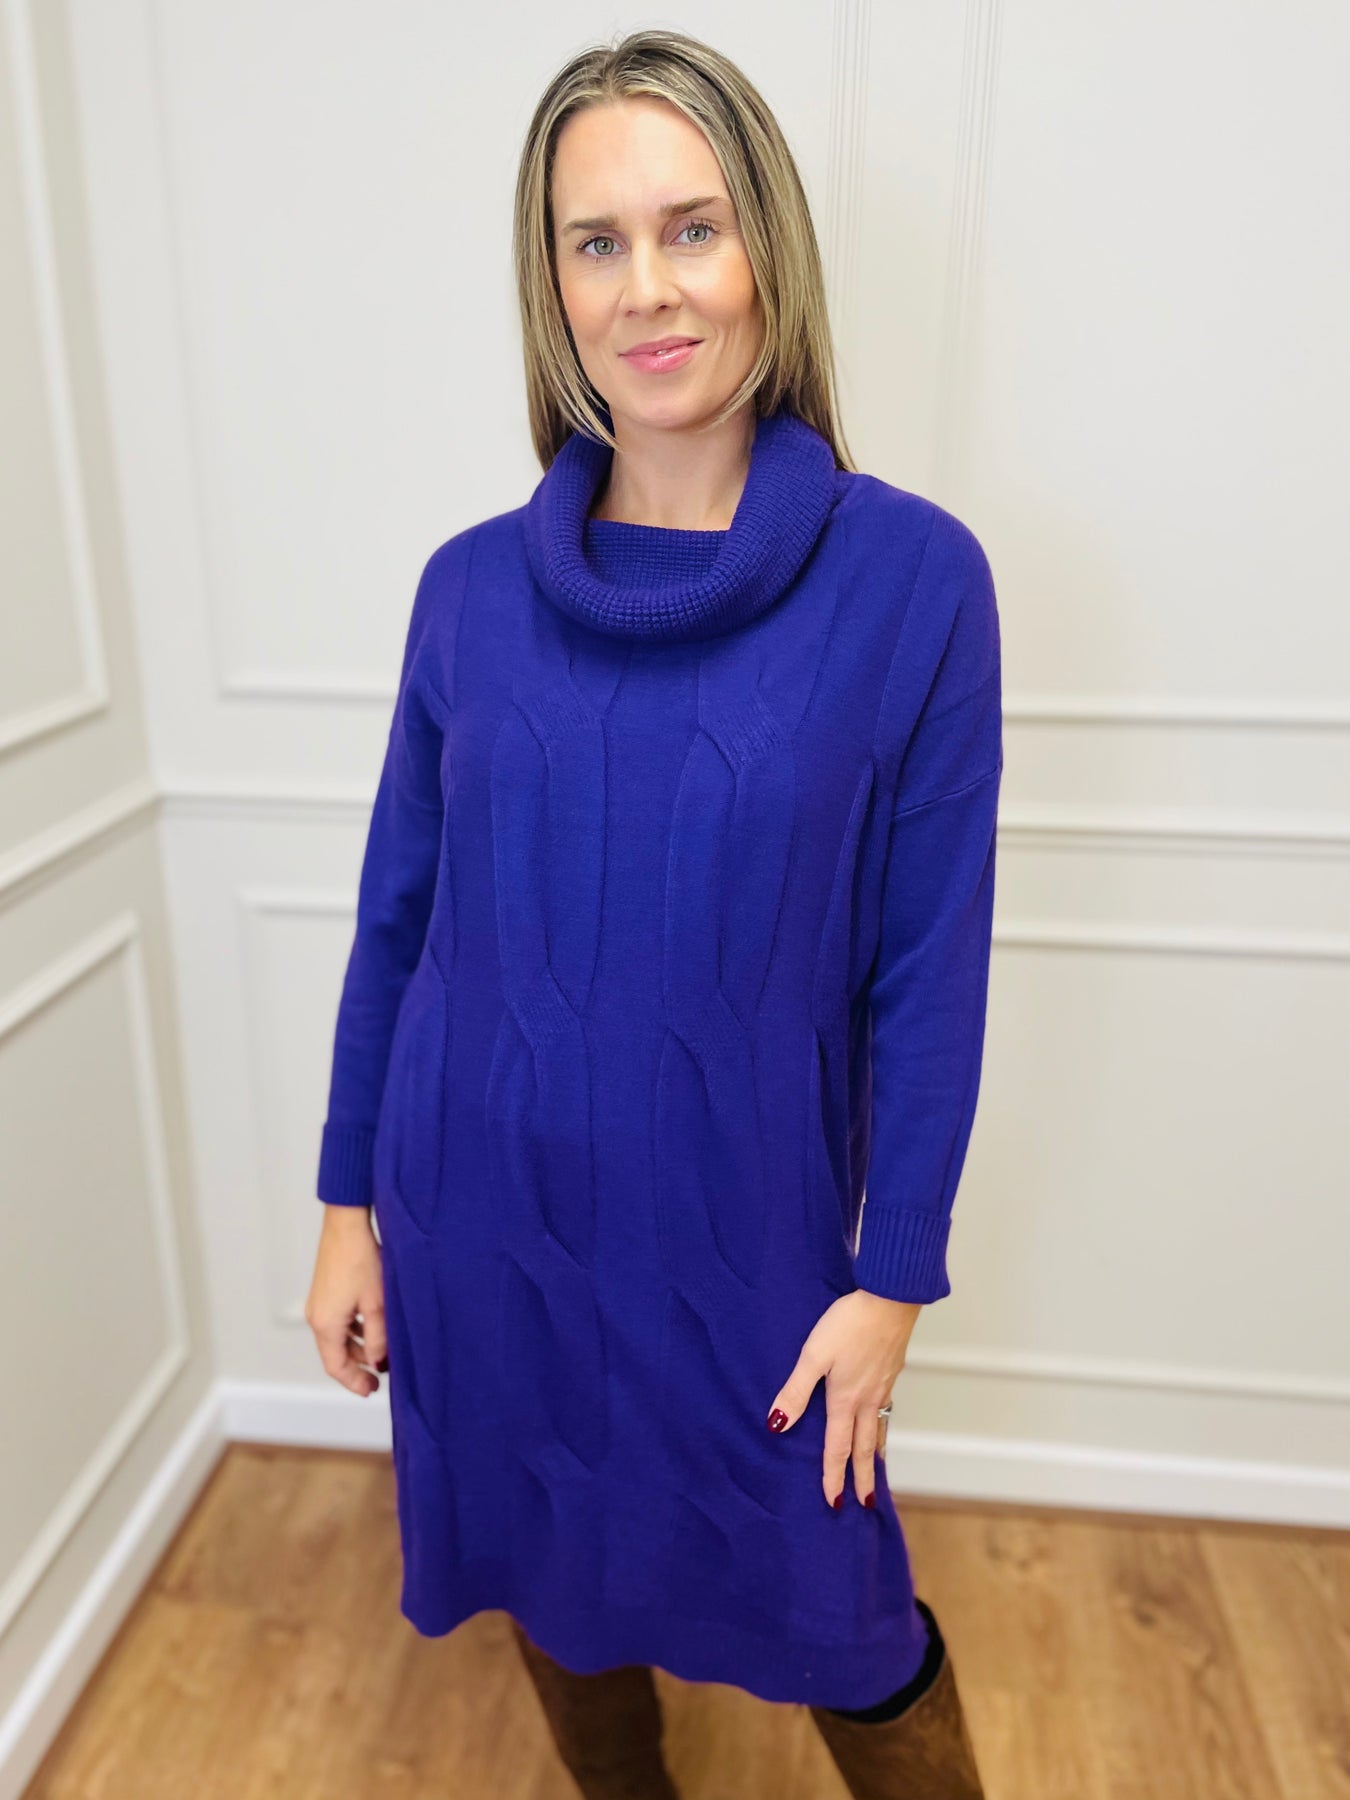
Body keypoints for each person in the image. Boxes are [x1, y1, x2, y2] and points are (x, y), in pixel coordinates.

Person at [305, 27, 998, 1800]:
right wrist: (346, 1210)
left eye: (692, 228)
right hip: (479, 1223)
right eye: (595, 242)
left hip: (749, 1238)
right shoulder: (466, 592)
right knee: (547, 1558)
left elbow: (927, 970)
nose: (647, 288)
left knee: (846, 1616)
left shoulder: (913, 580)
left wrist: (892, 1280)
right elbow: (399, 925)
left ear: (766, 245)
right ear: (549, 284)